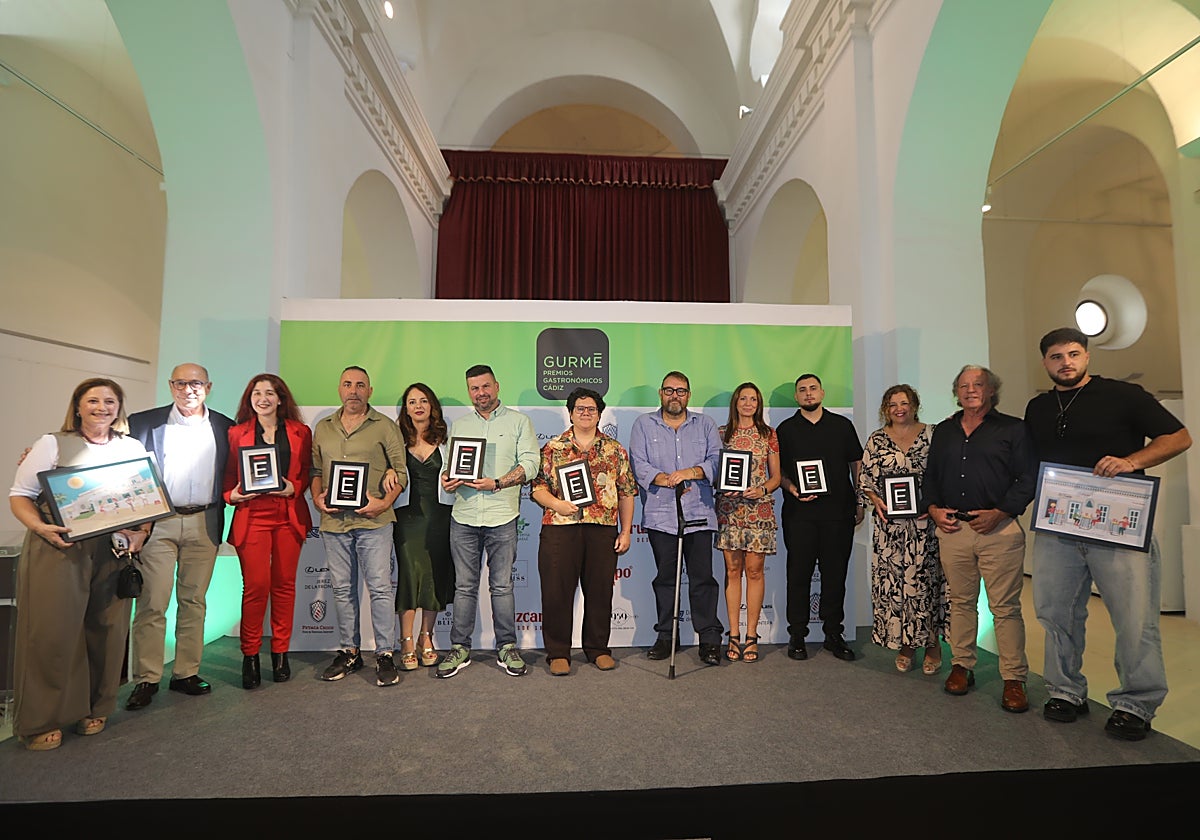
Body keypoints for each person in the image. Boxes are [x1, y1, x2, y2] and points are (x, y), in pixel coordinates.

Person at [1025, 327, 1191, 740]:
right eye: (1056, 356)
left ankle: (1136, 703)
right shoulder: (1038, 407)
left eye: (1073, 354)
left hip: (1117, 526)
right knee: (1055, 612)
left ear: (1086, 356)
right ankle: (1065, 691)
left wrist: (1132, 461)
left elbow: (1179, 437)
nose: (1066, 362)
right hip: (1059, 526)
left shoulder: (1123, 395)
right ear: (1045, 362)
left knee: (1134, 618)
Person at [9, 379, 151, 750]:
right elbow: (20, 495)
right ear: (77, 406)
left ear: (119, 408)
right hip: (59, 547)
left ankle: (95, 708)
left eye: (110, 401)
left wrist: (142, 532)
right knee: (52, 632)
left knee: (107, 630)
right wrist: (40, 527)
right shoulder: (52, 444)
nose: (102, 407)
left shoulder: (132, 447)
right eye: (93, 400)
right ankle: (41, 719)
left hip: (114, 550)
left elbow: (147, 497)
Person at [923, 365, 1037, 713]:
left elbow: (1028, 478)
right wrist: (933, 509)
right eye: (964, 385)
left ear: (991, 390)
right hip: (954, 530)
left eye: (978, 384)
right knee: (960, 602)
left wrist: (1000, 512)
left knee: (1005, 608)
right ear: (956, 392)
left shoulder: (1014, 429)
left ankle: (1013, 678)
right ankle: (962, 665)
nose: (970, 390)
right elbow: (931, 475)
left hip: (999, 531)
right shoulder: (944, 430)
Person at [126, 363, 234, 710]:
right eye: (181, 383)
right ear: (171, 386)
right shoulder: (143, 423)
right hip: (158, 523)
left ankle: (186, 672)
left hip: (205, 520)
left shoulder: (225, 426)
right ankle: (146, 678)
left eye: (196, 383)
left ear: (208, 387)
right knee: (152, 602)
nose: (189, 389)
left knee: (194, 601)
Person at [437, 365, 539, 678]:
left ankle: (507, 646)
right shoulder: (460, 425)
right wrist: (448, 479)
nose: (480, 393)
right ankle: (460, 647)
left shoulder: (519, 422)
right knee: (464, 587)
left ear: (496, 386)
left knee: (502, 586)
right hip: (464, 516)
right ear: (469, 391)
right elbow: (449, 466)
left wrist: (497, 482)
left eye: (485, 386)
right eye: (474, 388)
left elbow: (531, 465)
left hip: (502, 516)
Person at [311, 366, 407, 686]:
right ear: (340, 388)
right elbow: (315, 471)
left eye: (360, 385)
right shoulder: (323, 427)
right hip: (333, 522)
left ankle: (385, 654)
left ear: (370, 391)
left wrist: (384, 502)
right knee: (341, 589)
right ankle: (350, 652)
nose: (354, 390)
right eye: (348, 384)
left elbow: (401, 473)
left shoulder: (385, 426)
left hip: (374, 521)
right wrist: (317, 498)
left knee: (380, 588)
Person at [531, 387, 636, 675]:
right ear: (570, 413)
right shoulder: (553, 448)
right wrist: (557, 504)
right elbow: (537, 488)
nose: (586, 413)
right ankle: (557, 652)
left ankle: (598, 649)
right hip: (560, 528)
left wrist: (626, 531)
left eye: (591, 409)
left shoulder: (615, 450)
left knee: (600, 591)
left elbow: (627, 492)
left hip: (602, 529)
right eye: (580, 408)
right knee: (556, 592)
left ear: (599, 414)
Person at [222, 374, 312, 688]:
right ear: (249, 399)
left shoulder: (300, 432)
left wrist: (294, 487)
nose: (263, 399)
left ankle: (280, 653)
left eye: (270, 393)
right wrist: (232, 495)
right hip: (252, 516)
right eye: (257, 393)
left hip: (288, 515)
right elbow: (228, 476)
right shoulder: (236, 433)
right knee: (256, 587)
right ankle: (249, 655)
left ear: (280, 398)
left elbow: (306, 471)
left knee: (285, 586)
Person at [629, 371, 724, 667]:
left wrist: (689, 473)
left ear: (688, 395)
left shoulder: (705, 424)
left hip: (699, 513)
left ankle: (709, 639)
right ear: (661, 393)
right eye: (669, 390)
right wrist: (666, 479)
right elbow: (638, 464)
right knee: (666, 580)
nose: (675, 396)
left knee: (702, 579)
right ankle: (666, 636)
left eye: (681, 391)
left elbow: (716, 460)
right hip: (661, 515)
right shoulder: (643, 424)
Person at [857, 384, 946, 674]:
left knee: (926, 585)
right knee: (896, 586)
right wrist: (875, 501)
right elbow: (865, 480)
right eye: (893, 404)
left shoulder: (933, 435)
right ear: (885, 409)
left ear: (914, 405)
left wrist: (932, 504)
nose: (899, 409)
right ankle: (906, 644)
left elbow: (945, 475)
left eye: (904, 403)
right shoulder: (877, 439)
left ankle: (932, 644)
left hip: (925, 526)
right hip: (890, 530)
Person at [776, 374, 864, 662]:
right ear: (796, 397)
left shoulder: (842, 425)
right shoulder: (785, 430)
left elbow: (856, 464)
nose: (808, 393)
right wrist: (792, 488)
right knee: (798, 575)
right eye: (802, 390)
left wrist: (860, 500)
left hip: (838, 513)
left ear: (822, 393)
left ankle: (833, 634)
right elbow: (778, 472)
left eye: (813, 388)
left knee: (835, 576)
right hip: (799, 514)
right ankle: (797, 635)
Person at [387, 383, 455, 670]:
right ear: (406, 408)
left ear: (432, 406)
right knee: (409, 574)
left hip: (440, 517)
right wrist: (388, 470)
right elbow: (382, 468)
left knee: (434, 575)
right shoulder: (395, 439)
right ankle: (405, 640)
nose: (418, 406)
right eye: (412, 401)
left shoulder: (447, 440)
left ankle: (425, 637)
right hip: (407, 518)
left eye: (423, 400)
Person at [714, 382, 780, 663]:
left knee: (754, 572)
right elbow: (714, 471)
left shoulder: (768, 435)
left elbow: (776, 477)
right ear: (736, 402)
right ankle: (733, 634)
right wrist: (722, 486)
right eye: (743, 398)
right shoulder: (721, 434)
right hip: (730, 511)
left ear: (759, 404)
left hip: (758, 512)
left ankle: (752, 635)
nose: (748, 403)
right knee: (732, 571)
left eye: (753, 399)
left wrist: (762, 489)